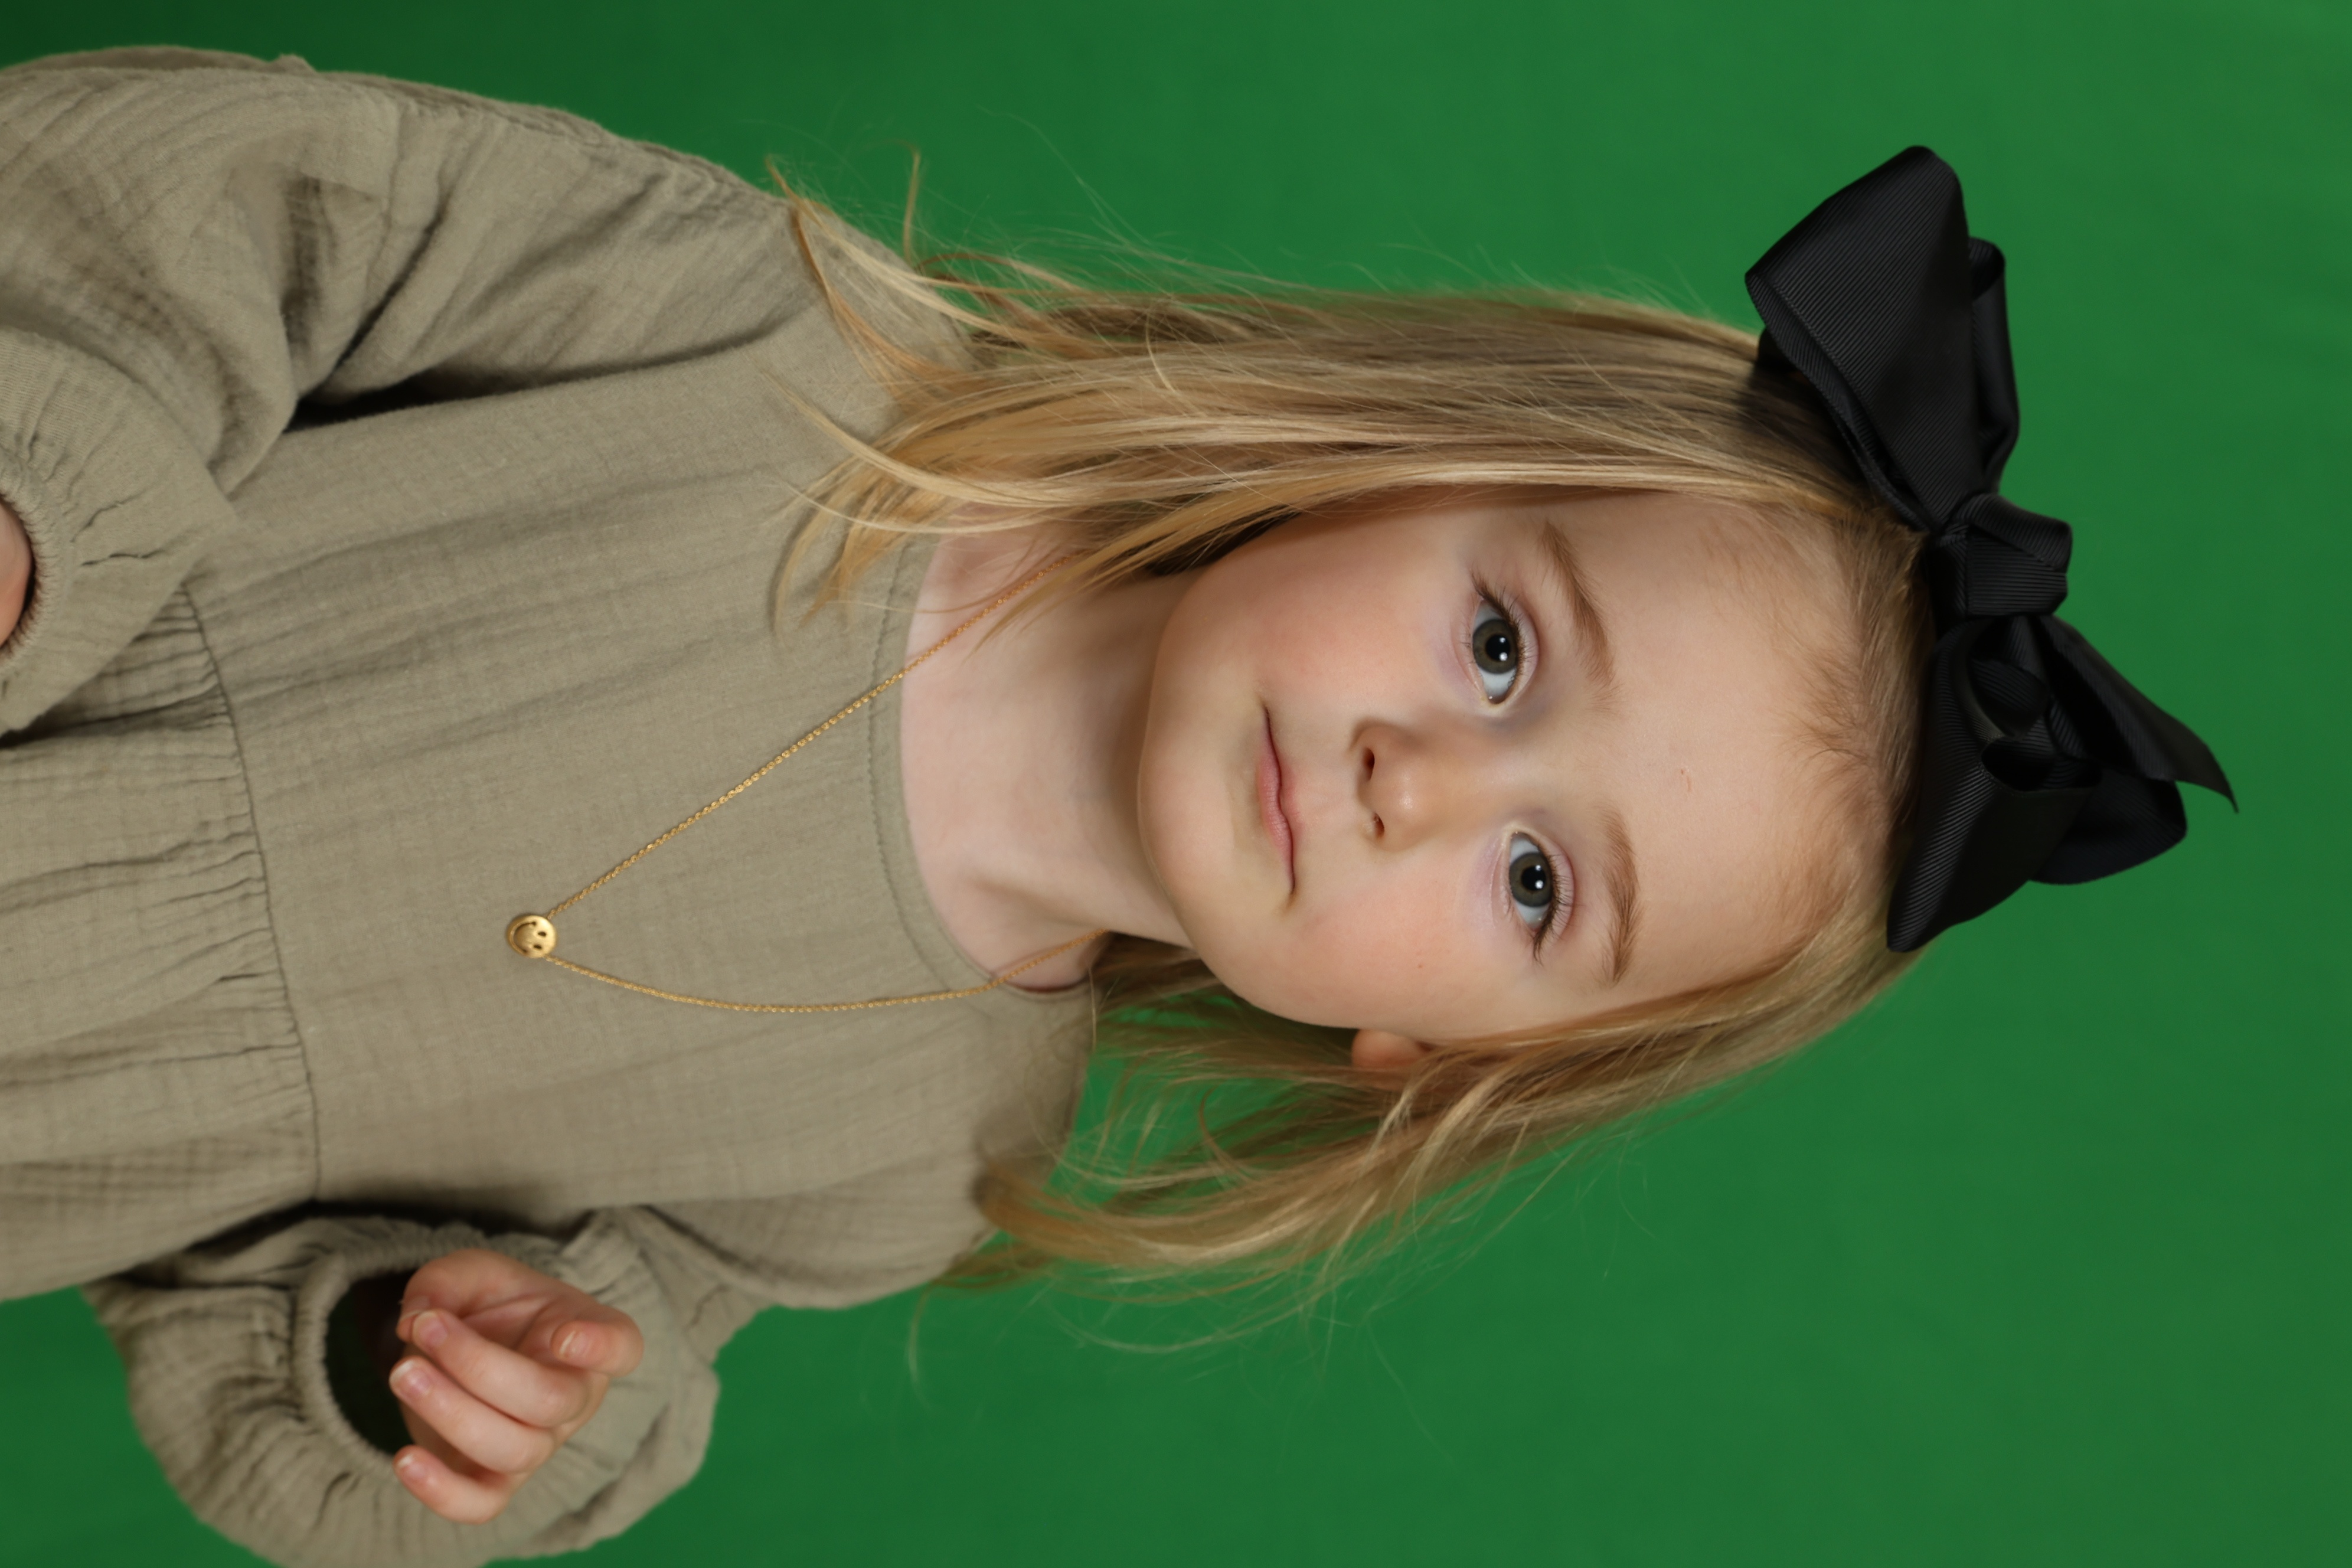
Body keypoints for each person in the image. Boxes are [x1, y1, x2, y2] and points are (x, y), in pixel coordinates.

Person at [0, 44, 2228, 1568]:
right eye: (1500, 647)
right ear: (1400, 460)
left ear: (1440, 1056)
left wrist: (437, 1367)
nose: (1422, 777)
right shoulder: (750, 349)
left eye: (1540, 881)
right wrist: (38, 500)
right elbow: (232, 208)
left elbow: (287, 1323)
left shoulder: (900, 1172)